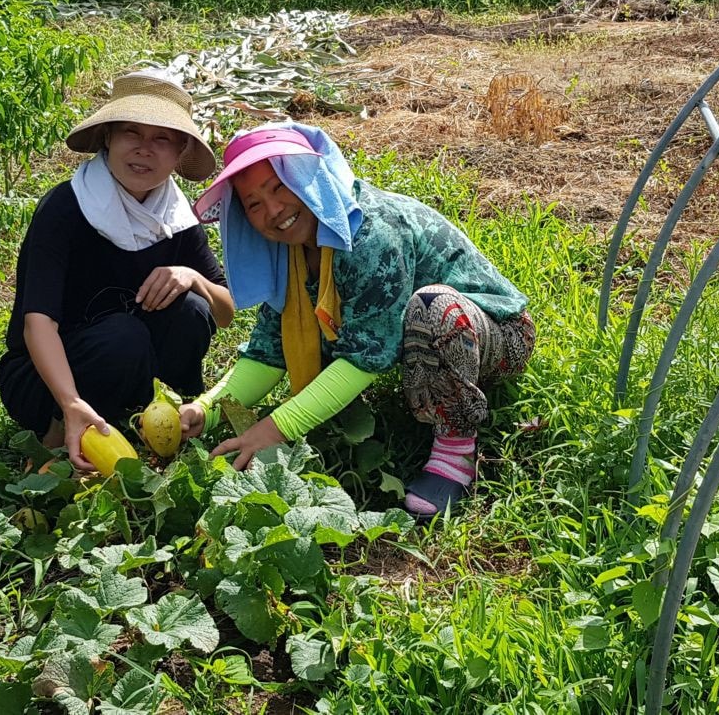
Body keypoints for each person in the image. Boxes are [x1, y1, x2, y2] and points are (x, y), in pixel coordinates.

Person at [182, 122, 534, 518]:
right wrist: (204, 409)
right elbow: (269, 351)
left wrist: (275, 428)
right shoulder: (290, 254)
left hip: (495, 335)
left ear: (308, 176)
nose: (274, 210)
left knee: (432, 307)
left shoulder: (370, 231)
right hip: (416, 337)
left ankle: (456, 446)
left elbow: (365, 356)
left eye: (279, 186)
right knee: (415, 315)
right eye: (254, 204)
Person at [0, 71, 235, 471]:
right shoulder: (65, 209)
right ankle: (57, 438)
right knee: (122, 336)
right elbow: (37, 324)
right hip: (49, 379)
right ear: (108, 137)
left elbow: (225, 312)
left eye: (162, 138)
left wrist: (192, 277)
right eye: (131, 133)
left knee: (193, 309)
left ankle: (154, 423)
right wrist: (70, 403)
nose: (144, 150)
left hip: (135, 364)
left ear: (179, 152)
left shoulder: (176, 217)